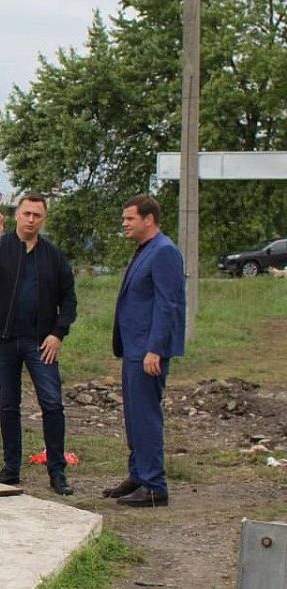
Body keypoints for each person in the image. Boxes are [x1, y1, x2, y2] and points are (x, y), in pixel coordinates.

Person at [0, 193, 77, 495]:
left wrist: (58, 333)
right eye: (27, 213)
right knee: (8, 405)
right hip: (3, 340)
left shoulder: (54, 256)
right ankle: (11, 468)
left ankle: (57, 472)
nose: (31, 220)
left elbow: (69, 299)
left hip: (40, 342)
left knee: (52, 404)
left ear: (43, 219)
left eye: (37, 215)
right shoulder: (0, 248)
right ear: (17, 215)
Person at [105, 194, 185, 507]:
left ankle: (154, 486)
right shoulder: (145, 250)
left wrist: (156, 349)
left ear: (148, 219)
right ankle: (138, 475)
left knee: (146, 416)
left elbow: (168, 304)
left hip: (148, 351)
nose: (124, 224)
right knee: (134, 416)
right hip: (134, 347)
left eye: (129, 219)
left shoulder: (165, 251)